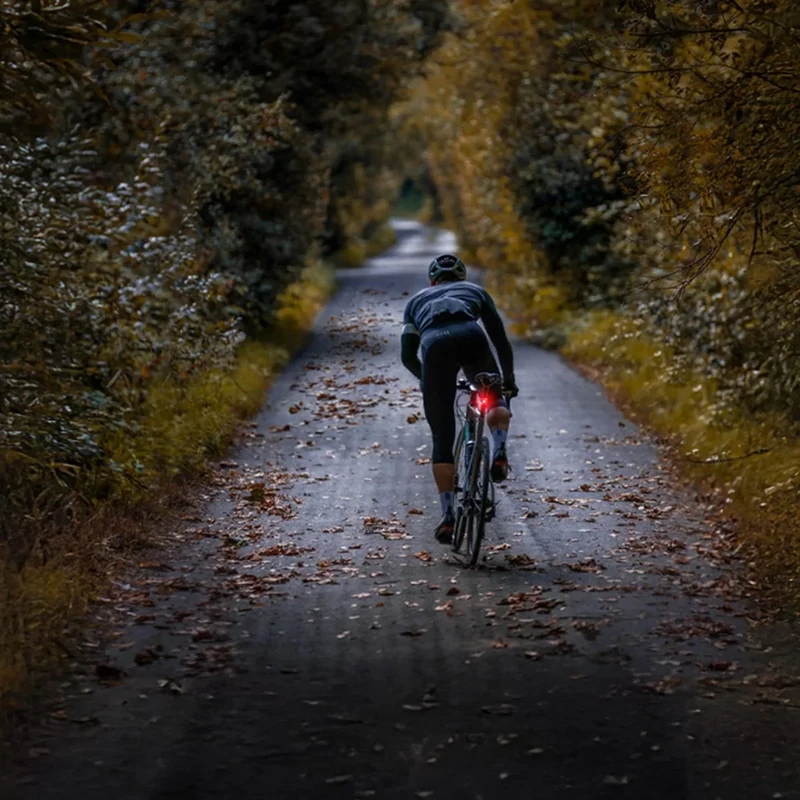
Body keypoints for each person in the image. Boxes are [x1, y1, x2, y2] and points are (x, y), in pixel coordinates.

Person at [400, 253, 519, 544]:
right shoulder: (476, 292)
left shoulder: (415, 302)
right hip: (471, 336)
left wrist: (429, 381)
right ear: (462, 277)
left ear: (432, 281)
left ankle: (448, 517)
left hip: (434, 345)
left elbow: (406, 356)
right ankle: (500, 449)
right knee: (493, 397)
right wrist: (508, 381)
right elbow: (500, 339)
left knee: (442, 437)